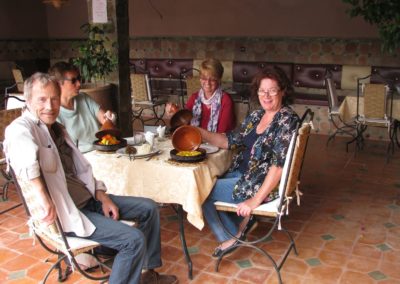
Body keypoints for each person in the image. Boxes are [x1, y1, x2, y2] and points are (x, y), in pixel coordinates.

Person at [4, 73, 178, 284]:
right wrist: (42, 196)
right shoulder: (22, 128)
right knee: (132, 240)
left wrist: (102, 196)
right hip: (70, 212)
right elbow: (25, 158)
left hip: (89, 200)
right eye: (42, 99)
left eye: (54, 99)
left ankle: (147, 274)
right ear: (28, 99)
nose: (49, 106)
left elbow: (82, 170)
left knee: (149, 208)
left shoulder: (57, 129)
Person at [198, 67, 300, 257]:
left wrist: (255, 200)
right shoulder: (256, 116)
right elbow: (229, 141)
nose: (266, 95)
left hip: (257, 183)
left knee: (201, 190)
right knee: (207, 181)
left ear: (283, 91)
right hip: (241, 175)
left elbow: (278, 166)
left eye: (272, 90)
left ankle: (232, 237)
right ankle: (242, 224)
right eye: (262, 90)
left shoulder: (287, 119)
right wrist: (199, 132)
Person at [48, 61, 115, 153]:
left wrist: (109, 117)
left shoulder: (84, 98)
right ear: (58, 84)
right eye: (73, 81)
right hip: (80, 160)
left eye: (79, 79)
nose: (79, 84)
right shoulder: (54, 113)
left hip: (101, 150)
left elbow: (106, 120)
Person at [167, 58, 235, 133]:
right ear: (200, 79)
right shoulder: (194, 98)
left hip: (216, 144)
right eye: (204, 78)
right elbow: (183, 123)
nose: (207, 83)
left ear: (219, 80)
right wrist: (173, 114)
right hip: (193, 141)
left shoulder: (226, 100)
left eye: (212, 79)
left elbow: (223, 133)